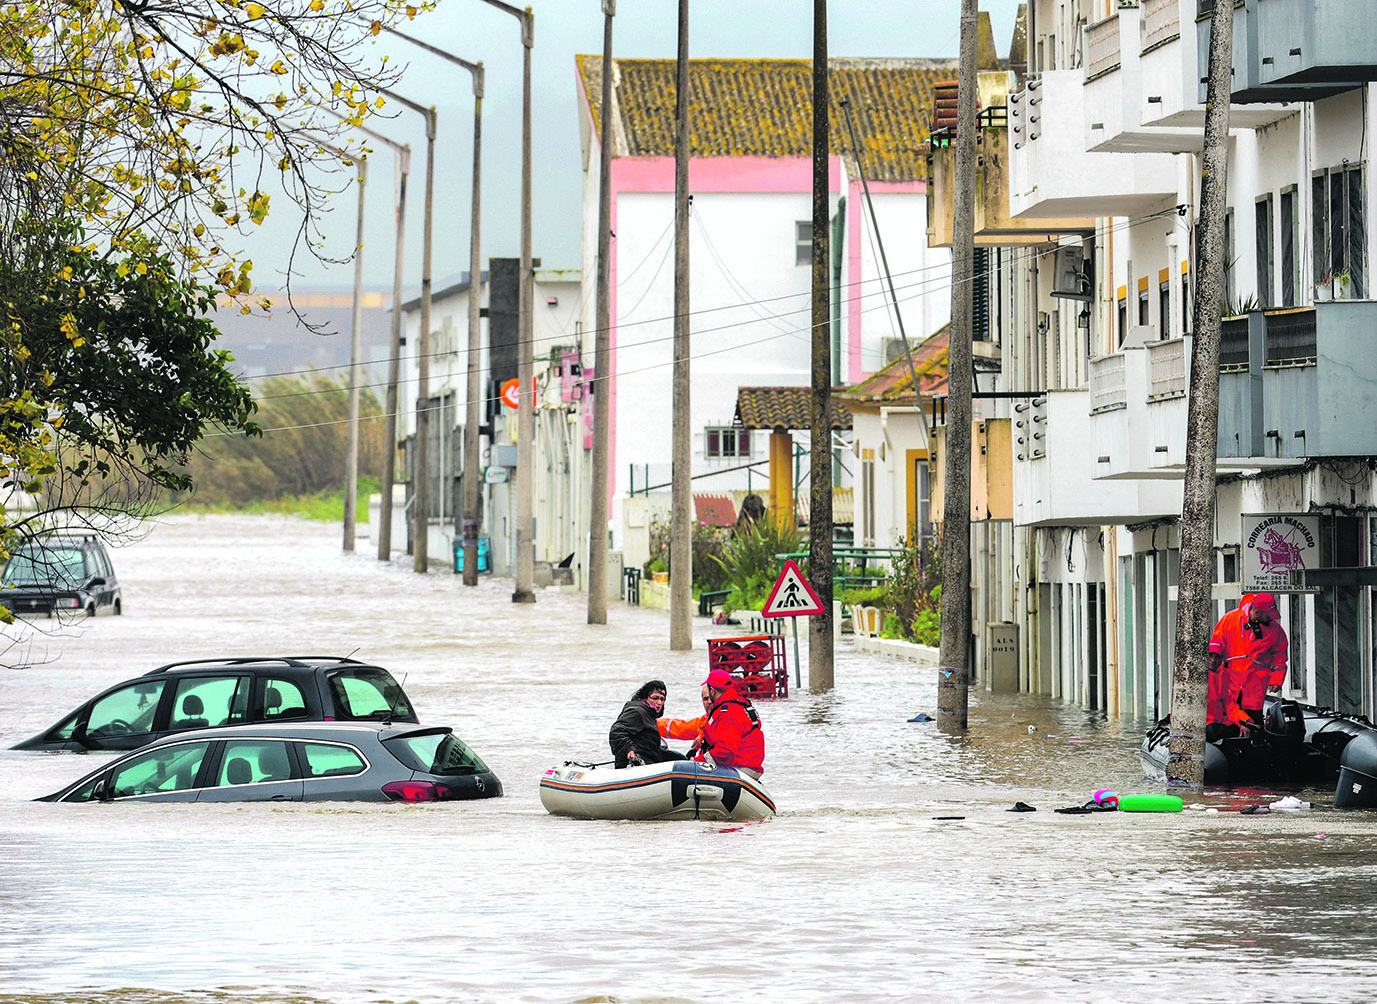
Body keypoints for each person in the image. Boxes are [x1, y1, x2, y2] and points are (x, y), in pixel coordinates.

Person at [1207, 591, 1288, 741]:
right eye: (1268, 614)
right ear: (1256, 612)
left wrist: (1276, 680)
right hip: (1229, 684)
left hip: (1254, 688)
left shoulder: (1275, 631)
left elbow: (1280, 657)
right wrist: (1212, 670)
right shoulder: (1230, 620)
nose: (1272, 618)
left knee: (1253, 726)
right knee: (1228, 724)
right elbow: (1216, 646)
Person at [696, 668, 765, 778]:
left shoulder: (728, 713)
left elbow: (725, 751)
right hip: (748, 766)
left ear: (712, 690)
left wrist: (696, 763)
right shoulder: (739, 705)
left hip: (739, 769)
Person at [609, 680, 686, 768]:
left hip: (651, 756)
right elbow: (616, 731)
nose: (659, 702)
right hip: (636, 762)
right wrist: (629, 749)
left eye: (662, 699)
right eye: (655, 698)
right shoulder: (637, 712)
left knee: (680, 758)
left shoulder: (649, 714)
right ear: (645, 698)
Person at [658, 684, 711, 754]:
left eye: (711, 698)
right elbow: (680, 728)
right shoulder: (703, 721)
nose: (709, 702)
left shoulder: (725, 714)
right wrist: (651, 723)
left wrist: (704, 738)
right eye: (706, 699)